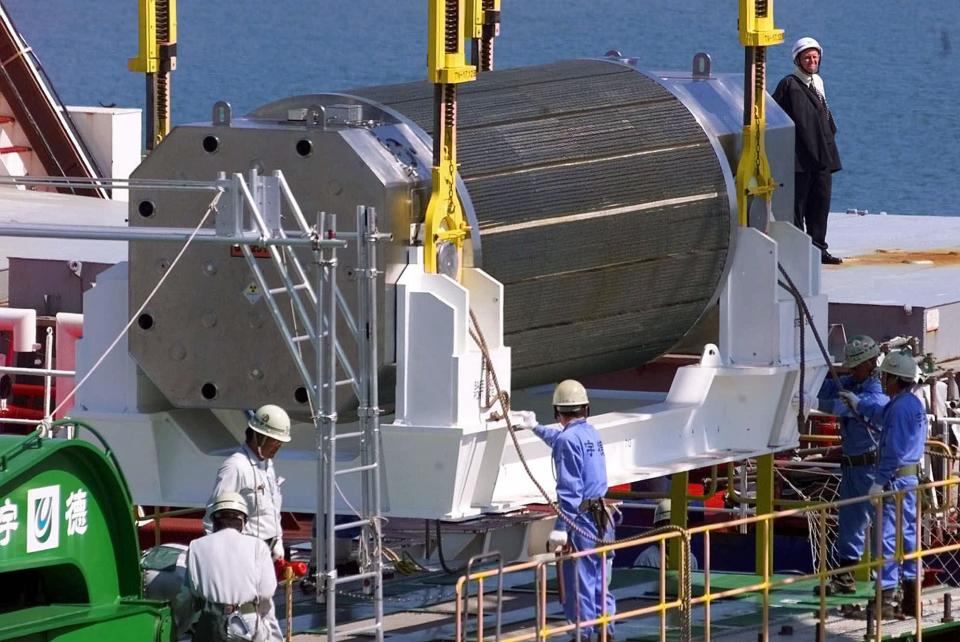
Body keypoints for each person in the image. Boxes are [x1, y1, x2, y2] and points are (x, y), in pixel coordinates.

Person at [511, 380, 616, 641]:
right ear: (586, 409)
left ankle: (582, 635)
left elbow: (569, 491)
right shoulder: (590, 433)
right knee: (601, 579)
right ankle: (606, 632)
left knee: (579, 581)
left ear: (558, 412)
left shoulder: (568, 440)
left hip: (582, 521)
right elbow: (562, 440)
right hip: (603, 518)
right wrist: (535, 427)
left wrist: (560, 529)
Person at [841, 350, 926, 618]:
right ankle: (912, 598)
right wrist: (858, 403)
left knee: (887, 537)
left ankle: (884, 601)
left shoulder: (900, 407)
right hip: (910, 479)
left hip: (894, 480)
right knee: (909, 536)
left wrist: (878, 482)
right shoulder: (909, 404)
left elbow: (894, 450)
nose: (883, 380)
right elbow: (881, 414)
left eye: (885, 376)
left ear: (893, 378)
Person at [815, 335, 888, 595]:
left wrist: (812, 403)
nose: (852, 371)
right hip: (852, 467)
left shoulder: (875, 397)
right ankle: (845, 578)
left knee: (879, 527)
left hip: (871, 469)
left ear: (871, 363)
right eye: (851, 367)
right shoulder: (851, 383)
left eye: (856, 367)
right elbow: (825, 389)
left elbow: (841, 406)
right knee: (849, 522)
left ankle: (889, 584)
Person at [772, 37, 843, 265]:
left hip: (823, 157)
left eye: (815, 57)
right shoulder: (789, 84)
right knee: (797, 207)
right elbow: (774, 116)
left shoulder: (818, 82)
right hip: (800, 160)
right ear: (798, 60)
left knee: (820, 205)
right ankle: (798, 252)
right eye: (807, 57)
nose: (812, 61)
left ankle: (819, 250)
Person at [177, 492, 281, 641]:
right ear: (243, 521)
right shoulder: (258, 546)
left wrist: (180, 626)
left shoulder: (197, 546)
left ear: (214, 521)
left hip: (211, 621)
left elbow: (191, 592)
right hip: (248, 621)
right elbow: (266, 592)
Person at [206, 405, 290, 562]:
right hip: (243, 555)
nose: (278, 447)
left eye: (281, 443)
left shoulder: (267, 465)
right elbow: (213, 515)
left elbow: (273, 510)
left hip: (268, 553)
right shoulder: (235, 467)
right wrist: (217, 559)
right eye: (274, 441)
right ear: (259, 436)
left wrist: (278, 541)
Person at [632, 499, 699, 571]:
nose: (672, 531)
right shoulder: (647, 559)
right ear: (658, 528)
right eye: (668, 525)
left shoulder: (690, 559)